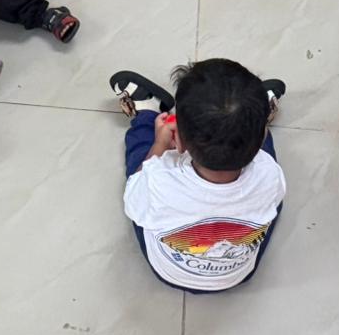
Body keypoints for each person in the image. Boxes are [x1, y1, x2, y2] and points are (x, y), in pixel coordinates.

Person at [111, 62, 287, 293]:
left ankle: (146, 112)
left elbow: (133, 202)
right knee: (272, 198)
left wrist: (160, 144)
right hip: (238, 275)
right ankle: (256, 115)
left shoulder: (158, 180)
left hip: (170, 272)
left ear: (179, 140)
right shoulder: (270, 174)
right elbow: (271, 191)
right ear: (261, 139)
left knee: (140, 161)